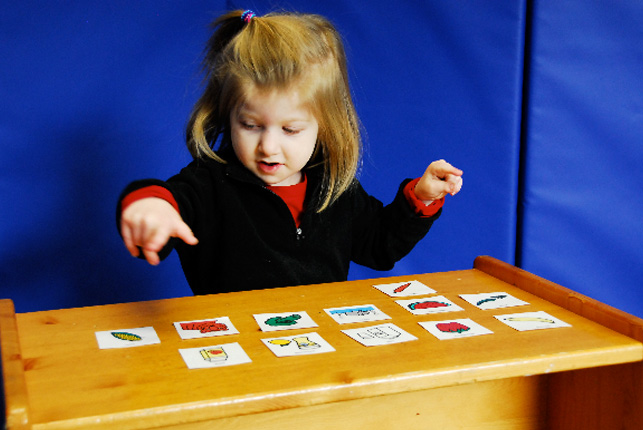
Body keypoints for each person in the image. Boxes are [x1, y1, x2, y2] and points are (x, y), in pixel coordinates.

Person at [117, 9, 463, 296]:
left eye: (290, 130)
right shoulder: (209, 183)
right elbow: (168, 201)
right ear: (229, 116)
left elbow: (379, 246)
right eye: (250, 125)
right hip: (236, 351)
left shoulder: (333, 187)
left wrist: (421, 198)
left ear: (323, 126)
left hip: (318, 351)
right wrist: (151, 207)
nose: (268, 146)